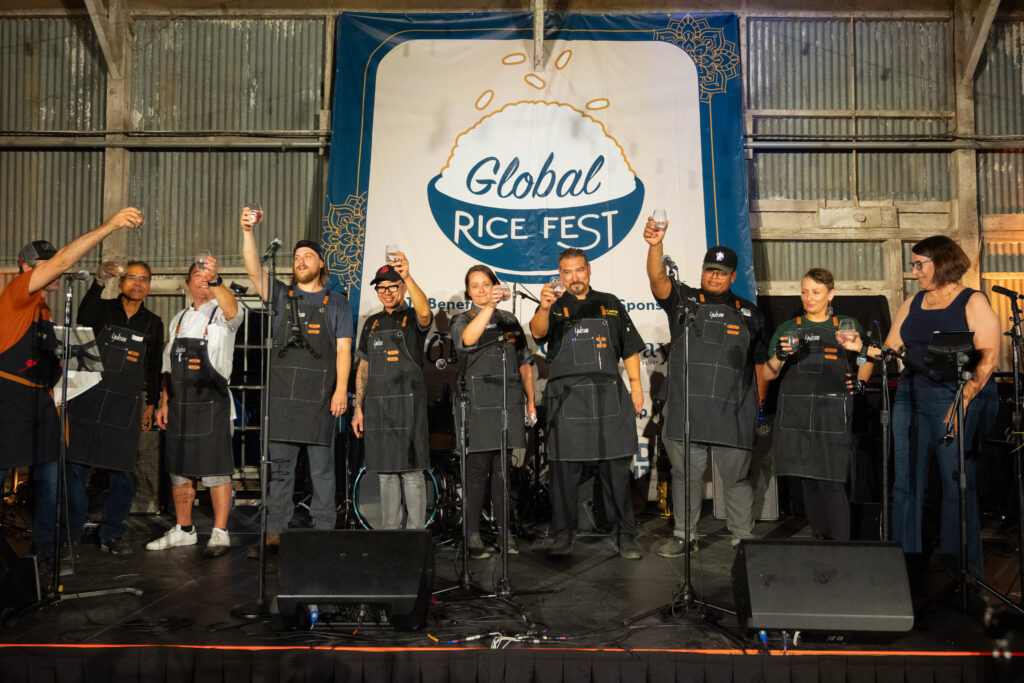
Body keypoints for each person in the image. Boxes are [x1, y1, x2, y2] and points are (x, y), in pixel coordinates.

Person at [0, 208, 144, 575]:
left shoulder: (45, 309)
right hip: (9, 399)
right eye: (46, 265)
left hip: (40, 401)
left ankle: (44, 555)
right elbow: (66, 258)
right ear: (26, 268)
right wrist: (110, 226)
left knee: (52, 479)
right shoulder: (18, 291)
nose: (57, 269)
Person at [846, 235, 999, 578]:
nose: (914, 271)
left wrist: (965, 400)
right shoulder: (913, 303)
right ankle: (906, 564)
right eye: (913, 264)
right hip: (910, 398)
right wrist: (861, 348)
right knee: (906, 482)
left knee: (955, 483)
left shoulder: (971, 301)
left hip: (952, 396)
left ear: (942, 262)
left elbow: (988, 357)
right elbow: (889, 351)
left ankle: (961, 569)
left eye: (919, 264)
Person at [644, 221, 770, 557]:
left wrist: (759, 409)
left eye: (721, 272)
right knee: (686, 478)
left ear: (733, 276)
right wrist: (656, 245)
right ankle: (685, 536)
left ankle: (743, 538)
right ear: (701, 272)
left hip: (734, 410)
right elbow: (658, 280)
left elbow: (760, 365)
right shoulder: (683, 299)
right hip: (687, 408)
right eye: (708, 270)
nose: (713, 276)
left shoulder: (750, 313)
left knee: (738, 480)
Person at [241, 211, 353, 555]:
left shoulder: (337, 303)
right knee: (280, 472)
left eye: (308, 256)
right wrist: (247, 231)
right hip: (282, 400)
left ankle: (323, 531)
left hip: (320, 399)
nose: (300, 261)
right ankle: (274, 531)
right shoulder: (279, 295)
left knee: (321, 473)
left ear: (321, 265)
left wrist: (339, 392)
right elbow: (252, 269)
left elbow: (344, 351)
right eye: (296, 257)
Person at [530, 248, 645, 559]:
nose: (574, 277)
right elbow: (537, 331)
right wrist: (543, 306)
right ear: (560, 274)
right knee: (563, 472)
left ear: (589, 270)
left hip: (608, 396)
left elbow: (630, 348)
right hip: (567, 401)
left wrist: (636, 387)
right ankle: (563, 535)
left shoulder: (610, 303)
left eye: (579, 270)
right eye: (566, 272)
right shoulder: (554, 306)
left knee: (615, 470)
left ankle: (625, 535)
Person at [65, 260, 163, 555]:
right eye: (132, 278)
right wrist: (97, 282)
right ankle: (69, 533)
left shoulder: (153, 323)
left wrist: (152, 403)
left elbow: (154, 366)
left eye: (143, 279)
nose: (137, 283)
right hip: (88, 399)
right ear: (121, 283)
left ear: (148, 285)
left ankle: (111, 534)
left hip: (125, 405)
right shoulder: (104, 309)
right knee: (76, 468)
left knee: (123, 474)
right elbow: (81, 319)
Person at [146, 256, 242, 558]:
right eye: (198, 276)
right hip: (179, 404)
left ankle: (220, 532)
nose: (204, 280)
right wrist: (164, 403)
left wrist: (217, 281)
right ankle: (184, 529)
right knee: (179, 470)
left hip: (212, 404)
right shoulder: (178, 320)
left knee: (216, 471)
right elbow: (166, 368)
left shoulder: (226, 312)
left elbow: (232, 309)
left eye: (209, 276)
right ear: (188, 282)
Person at [760, 268, 861, 541]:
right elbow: (768, 374)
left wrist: (859, 380)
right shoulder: (788, 328)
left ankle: (843, 544)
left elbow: (865, 359)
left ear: (831, 294)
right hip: (797, 413)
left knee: (832, 479)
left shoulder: (846, 325)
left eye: (815, 292)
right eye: (804, 292)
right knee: (808, 477)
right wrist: (781, 355)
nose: (808, 298)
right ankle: (820, 537)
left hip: (832, 413)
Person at [449, 265, 537, 559]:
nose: (482, 289)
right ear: (468, 292)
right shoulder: (461, 319)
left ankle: (504, 532)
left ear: (495, 286)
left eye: (486, 284)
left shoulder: (509, 320)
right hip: (476, 404)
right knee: (476, 473)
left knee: (503, 473)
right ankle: (472, 534)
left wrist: (530, 401)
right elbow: (469, 339)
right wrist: (487, 308)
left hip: (508, 402)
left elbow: (524, 363)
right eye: (475, 286)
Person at [351, 255, 433, 529]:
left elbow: (425, 314)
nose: (386, 293)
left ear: (403, 289)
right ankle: (390, 537)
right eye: (381, 288)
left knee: (411, 472)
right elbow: (363, 367)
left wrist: (408, 277)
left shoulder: (412, 317)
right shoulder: (371, 324)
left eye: (393, 287)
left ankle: (415, 536)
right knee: (385, 473)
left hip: (409, 405)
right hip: (378, 406)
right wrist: (358, 407)